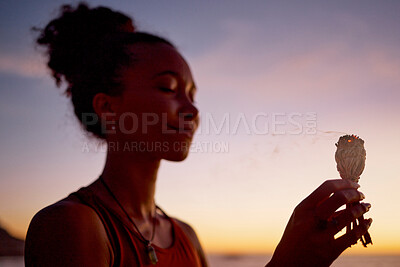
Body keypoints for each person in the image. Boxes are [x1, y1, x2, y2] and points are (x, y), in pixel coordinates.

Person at [24, 3, 372, 267]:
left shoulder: (186, 237)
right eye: (168, 87)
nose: (191, 109)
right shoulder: (72, 225)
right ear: (107, 107)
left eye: (192, 93)